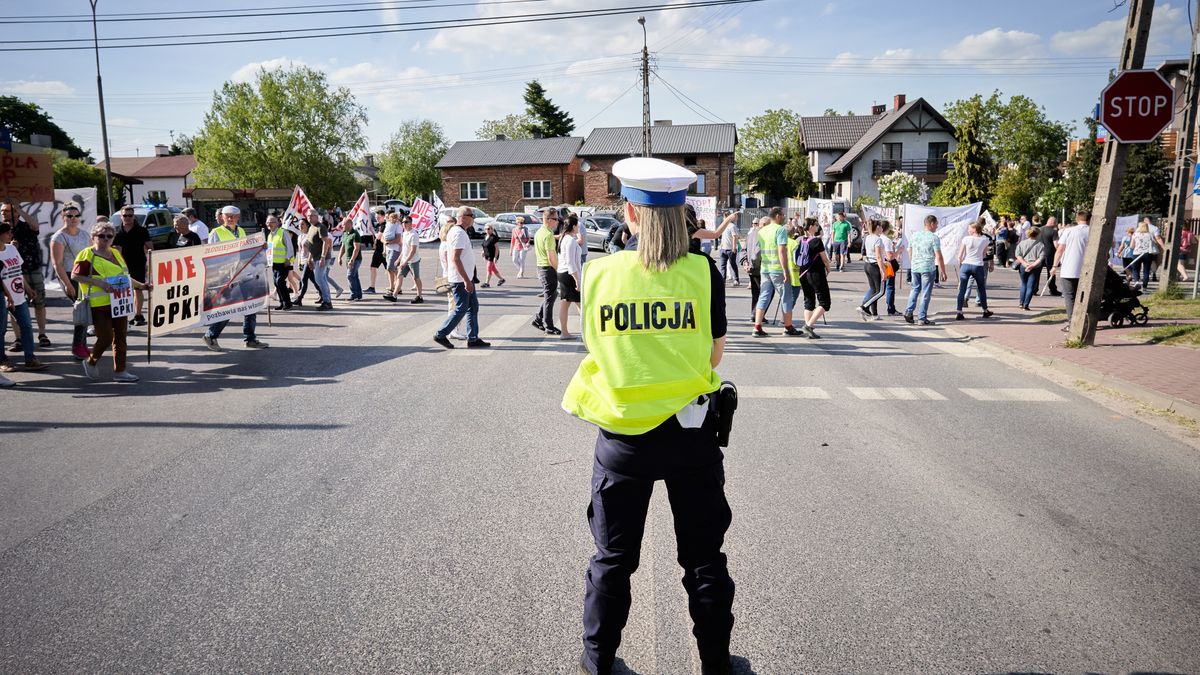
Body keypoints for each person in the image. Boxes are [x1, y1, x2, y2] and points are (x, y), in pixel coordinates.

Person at [561, 157, 734, 675]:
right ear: (681, 213)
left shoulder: (598, 273)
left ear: (630, 217)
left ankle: (599, 664)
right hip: (691, 435)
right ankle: (716, 665)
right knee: (704, 561)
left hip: (623, 438)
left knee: (612, 562)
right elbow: (714, 354)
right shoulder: (704, 272)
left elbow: (596, 344)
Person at [71, 221, 149, 382]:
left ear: (113, 238)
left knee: (121, 338)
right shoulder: (87, 254)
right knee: (106, 337)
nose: (105, 238)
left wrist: (142, 285)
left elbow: (124, 277)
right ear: (93, 237)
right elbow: (75, 276)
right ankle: (91, 361)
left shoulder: (115, 253)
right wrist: (100, 283)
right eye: (101, 235)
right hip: (99, 304)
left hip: (120, 302)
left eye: (109, 236)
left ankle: (120, 371)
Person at [204, 205, 269, 350]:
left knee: (250, 307)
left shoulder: (240, 231)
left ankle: (250, 339)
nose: (231, 218)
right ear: (222, 217)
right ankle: (211, 335)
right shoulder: (216, 232)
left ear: (238, 217)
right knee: (228, 308)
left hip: (243, 274)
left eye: (233, 216)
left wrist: (260, 247)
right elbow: (211, 256)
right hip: (226, 277)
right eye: (228, 216)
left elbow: (246, 251)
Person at [433, 207, 489, 350]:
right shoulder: (458, 233)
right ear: (463, 217)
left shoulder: (460, 231)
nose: (473, 218)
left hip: (465, 278)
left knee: (472, 308)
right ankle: (441, 334)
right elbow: (455, 259)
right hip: (460, 280)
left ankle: (473, 338)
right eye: (472, 215)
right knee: (461, 308)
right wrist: (466, 280)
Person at [2, 201, 52, 349]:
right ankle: (18, 338)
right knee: (15, 304)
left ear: (16, 213)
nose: (4, 213)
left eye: (8, 211)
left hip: (31, 267)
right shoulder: (2, 229)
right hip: (11, 271)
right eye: (3, 211)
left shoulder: (25, 226)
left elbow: (35, 226)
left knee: (39, 301)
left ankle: (42, 334)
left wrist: (19, 209)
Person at [0, 222, 48, 373]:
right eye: (8, 232)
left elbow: (17, 272)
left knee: (26, 326)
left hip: (18, 294)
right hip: (3, 297)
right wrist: (7, 296)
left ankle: (30, 358)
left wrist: (28, 289)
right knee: (1, 330)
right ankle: (2, 360)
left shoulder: (12, 248)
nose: (11, 235)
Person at [50, 202, 95, 360]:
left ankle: (81, 345)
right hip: (70, 276)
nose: (73, 218)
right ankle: (78, 347)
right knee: (81, 310)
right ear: (63, 217)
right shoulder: (59, 237)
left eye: (76, 216)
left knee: (87, 310)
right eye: (69, 216)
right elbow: (58, 264)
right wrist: (68, 285)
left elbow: (92, 255)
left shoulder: (84, 234)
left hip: (85, 276)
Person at [112, 205, 153, 327]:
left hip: (138, 263)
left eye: (130, 215)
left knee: (138, 289)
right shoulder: (116, 231)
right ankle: (122, 317)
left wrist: (150, 261)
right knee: (122, 291)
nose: (128, 218)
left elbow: (150, 247)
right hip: (120, 265)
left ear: (133, 216)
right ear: (121, 216)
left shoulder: (141, 230)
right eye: (125, 215)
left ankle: (138, 314)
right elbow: (113, 250)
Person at [752, 207, 790, 337]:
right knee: (785, 296)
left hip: (765, 268)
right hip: (777, 269)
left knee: (764, 296)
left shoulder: (762, 231)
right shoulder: (780, 230)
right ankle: (788, 326)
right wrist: (786, 270)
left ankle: (757, 326)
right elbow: (781, 251)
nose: (784, 217)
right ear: (778, 216)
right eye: (783, 215)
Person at [904, 214, 947, 326]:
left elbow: (910, 250)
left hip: (915, 266)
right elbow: (939, 256)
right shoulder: (934, 237)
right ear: (931, 224)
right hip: (928, 267)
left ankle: (909, 312)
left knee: (914, 289)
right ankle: (922, 317)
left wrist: (913, 262)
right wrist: (942, 271)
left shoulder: (915, 235)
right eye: (936, 224)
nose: (937, 227)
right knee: (925, 292)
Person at [1052, 210, 1092, 329]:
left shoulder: (1069, 231)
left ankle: (1072, 323)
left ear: (1076, 219)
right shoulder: (1092, 231)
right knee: (1084, 297)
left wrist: (1054, 266)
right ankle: (1085, 319)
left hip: (1069, 269)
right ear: (1089, 219)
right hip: (1087, 270)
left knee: (1070, 298)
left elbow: (1060, 250)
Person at [797, 217, 831, 338]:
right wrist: (828, 268)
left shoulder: (801, 240)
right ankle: (809, 325)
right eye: (816, 225)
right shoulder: (816, 241)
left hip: (802, 273)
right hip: (816, 273)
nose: (818, 227)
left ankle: (808, 327)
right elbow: (824, 258)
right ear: (811, 226)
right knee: (825, 302)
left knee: (809, 300)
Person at [954, 218, 995, 320]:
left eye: (969, 229)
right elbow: (984, 254)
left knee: (962, 289)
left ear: (974, 229)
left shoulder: (966, 239)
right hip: (978, 265)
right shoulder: (985, 240)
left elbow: (960, 255)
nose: (968, 231)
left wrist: (960, 261)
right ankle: (985, 310)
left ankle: (959, 311)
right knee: (981, 288)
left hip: (966, 264)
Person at [532, 207, 561, 335]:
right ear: (548, 220)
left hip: (541, 267)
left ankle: (538, 319)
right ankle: (549, 325)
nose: (557, 222)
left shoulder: (540, 232)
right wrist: (558, 269)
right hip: (548, 268)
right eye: (555, 219)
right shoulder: (548, 235)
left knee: (552, 295)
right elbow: (551, 257)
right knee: (550, 297)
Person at [557, 214, 583, 338]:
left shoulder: (564, 238)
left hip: (564, 273)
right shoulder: (570, 240)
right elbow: (571, 262)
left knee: (565, 303)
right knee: (580, 304)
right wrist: (577, 280)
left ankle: (565, 332)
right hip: (569, 275)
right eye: (577, 225)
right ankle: (587, 330)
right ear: (573, 226)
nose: (578, 228)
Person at [303, 208, 334, 311]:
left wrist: (323, 257)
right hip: (315, 257)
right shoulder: (311, 228)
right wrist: (309, 258)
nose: (309, 217)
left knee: (319, 278)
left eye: (311, 215)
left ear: (316, 216)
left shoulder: (321, 227)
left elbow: (326, 242)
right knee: (321, 279)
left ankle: (327, 302)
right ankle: (327, 300)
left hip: (322, 258)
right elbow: (311, 244)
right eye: (308, 216)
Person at [857, 220, 888, 320]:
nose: (882, 229)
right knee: (880, 291)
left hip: (868, 264)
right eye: (880, 227)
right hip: (875, 265)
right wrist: (883, 270)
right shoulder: (877, 239)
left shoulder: (868, 237)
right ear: (878, 227)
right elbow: (878, 256)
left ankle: (874, 314)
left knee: (874, 290)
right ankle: (864, 307)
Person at [265, 215, 294, 310]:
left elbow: (289, 246)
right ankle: (282, 303)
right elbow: (269, 250)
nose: (270, 224)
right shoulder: (269, 235)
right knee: (276, 283)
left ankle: (287, 303)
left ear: (277, 223)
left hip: (283, 263)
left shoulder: (282, 232)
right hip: (274, 264)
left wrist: (288, 259)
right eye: (268, 222)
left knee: (280, 282)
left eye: (272, 222)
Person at [1014, 226, 1044, 311]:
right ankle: (1026, 304)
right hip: (1035, 267)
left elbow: (1018, 255)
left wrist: (1024, 263)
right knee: (1030, 286)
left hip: (1023, 266)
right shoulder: (1040, 244)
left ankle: (1021, 302)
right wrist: (1032, 265)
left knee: (1023, 284)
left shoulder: (1022, 243)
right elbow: (1041, 258)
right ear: (1038, 234)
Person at [397, 216, 425, 304]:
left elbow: (413, 251)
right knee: (399, 276)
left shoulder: (414, 234)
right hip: (404, 260)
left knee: (416, 278)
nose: (404, 224)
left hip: (413, 260)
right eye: (403, 222)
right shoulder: (404, 233)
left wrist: (405, 262)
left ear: (411, 223)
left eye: (406, 222)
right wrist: (399, 258)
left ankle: (419, 296)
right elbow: (404, 248)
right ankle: (394, 295)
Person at [741, 217, 763, 322]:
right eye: (753, 223)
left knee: (756, 293)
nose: (754, 225)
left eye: (756, 223)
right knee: (761, 293)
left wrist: (745, 263)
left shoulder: (750, 235)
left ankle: (755, 314)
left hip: (752, 267)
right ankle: (756, 314)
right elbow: (756, 253)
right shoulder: (757, 235)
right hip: (757, 268)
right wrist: (747, 263)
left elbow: (743, 250)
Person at [382, 212, 404, 302]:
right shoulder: (388, 226)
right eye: (391, 217)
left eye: (395, 217)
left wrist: (389, 242)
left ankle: (392, 287)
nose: (393, 219)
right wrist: (385, 244)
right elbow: (383, 237)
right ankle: (396, 287)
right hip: (388, 249)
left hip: (395, 249)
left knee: (390, 268)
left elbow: (399, 239)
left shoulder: (398, 226)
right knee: (392, 269)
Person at [341, 217, 363, 301]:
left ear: (349, 224)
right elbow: (343, 246)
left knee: (350, 276)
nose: (342, 226)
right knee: (354, 276)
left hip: (355, 259)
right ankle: (359, 295)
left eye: (344, 224)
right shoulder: (345, 233)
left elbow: (356, 248)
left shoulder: (355, 234)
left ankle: (353, 294)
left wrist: (352, 260)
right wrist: (340, 257)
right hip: (348, 259)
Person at [1129, 222, 1156, 292]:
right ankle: (1145, 286)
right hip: (1147, 254)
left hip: (1137, 253)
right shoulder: (1150, 235)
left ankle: (1136, 282)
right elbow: (1154, 243)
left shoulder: (1135, 234)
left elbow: (1131, 246)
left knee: (1135, 269)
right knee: (1146, 270)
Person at [715, 210, 740, 285]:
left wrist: (734, 247)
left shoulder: (732, 226)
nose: (724, 217)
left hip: (730, 249)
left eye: (726, 216)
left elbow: (735, 237)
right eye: (725, 216)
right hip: (723, 249)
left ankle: (736, 279)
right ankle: (723, 280)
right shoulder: (723, 225)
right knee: (723, 266)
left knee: (733, 264)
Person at [366, 208, 387, 294]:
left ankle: (395, 287)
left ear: (383, 217)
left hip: (384, 250)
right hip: (377, 250)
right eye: (376, 217)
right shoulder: (378, 225)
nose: (377, 219)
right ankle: (372, 286)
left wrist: (372, 231)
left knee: (390, 270)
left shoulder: (384, 225)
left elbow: (379, 236)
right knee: (373, 267)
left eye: (378, 217)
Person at [1039, 217, 1061, 296]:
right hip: (1049, 254)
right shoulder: (1054, 232)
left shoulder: (1039, 229)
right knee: (1051, 272)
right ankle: (1052, 289)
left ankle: (1034, 289)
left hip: (1039, 253)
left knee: (1037, 272)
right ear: (1054, 223)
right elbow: (1056, 244)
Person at [481, 223, 506, 288]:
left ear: (492, 229)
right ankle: (502, 279)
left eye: (489, 229)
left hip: (492, 255)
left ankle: (487, 283)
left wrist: (495, 257)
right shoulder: (485, 236)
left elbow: (497, 248)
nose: (487, 230)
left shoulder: (494, 238)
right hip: (487, 254)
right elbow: (485, 245)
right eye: (485, 229)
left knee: (489, 268)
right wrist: (483, 252)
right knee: (493, 269)